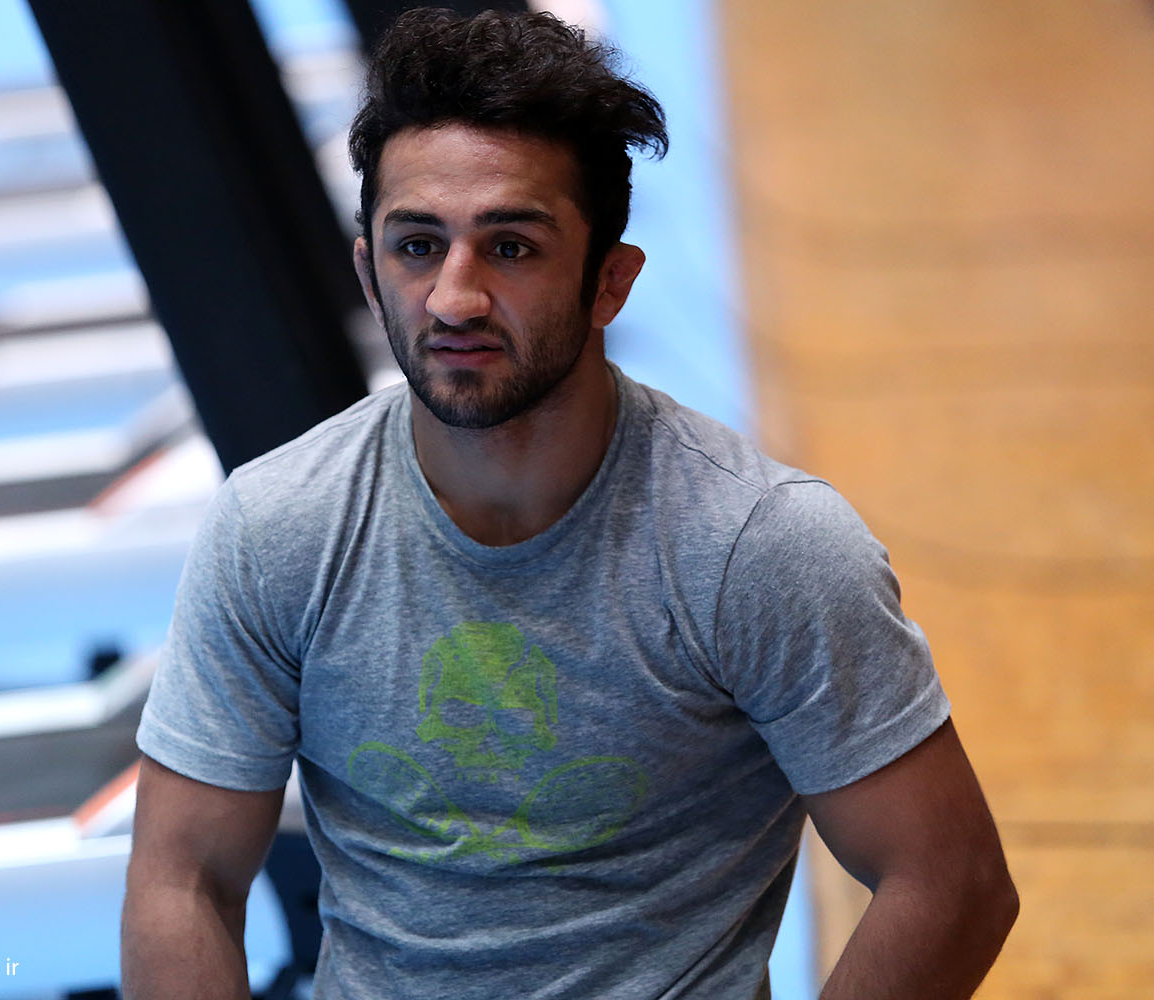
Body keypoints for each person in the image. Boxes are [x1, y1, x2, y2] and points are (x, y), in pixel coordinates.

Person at [121, 8, 1017, 999]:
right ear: (368, 272)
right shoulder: (278, 526)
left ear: (609, 284)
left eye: (510, 249)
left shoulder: (758, 546)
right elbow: (183, 880)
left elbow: (952, 881)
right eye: (417, 246)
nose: (453, 298)